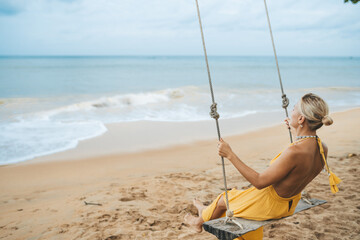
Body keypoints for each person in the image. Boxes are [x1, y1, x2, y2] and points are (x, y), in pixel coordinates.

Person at [183, 93, 341, 240]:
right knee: (233, 199)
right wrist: (295, 131)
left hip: (270, 205)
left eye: (293, 109)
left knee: (224, 199)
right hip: (289, 203)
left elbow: (259, 182)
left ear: (301, 120)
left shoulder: (294, 151)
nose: (290, 111)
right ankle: (204, 211)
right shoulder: (321, 147)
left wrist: (230, 154)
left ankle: (199, 220)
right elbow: (302, 163)